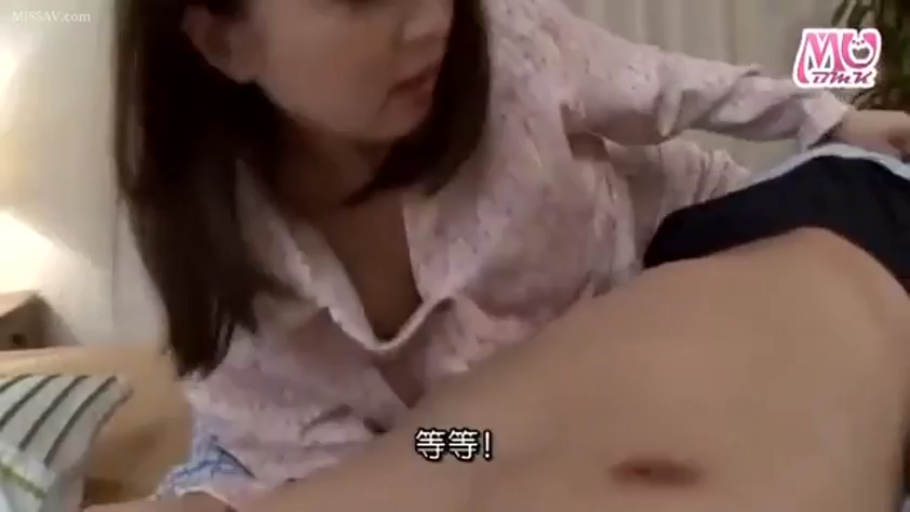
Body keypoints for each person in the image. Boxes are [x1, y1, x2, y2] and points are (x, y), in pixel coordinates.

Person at [98, 0, 910, 508]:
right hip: (465, 422)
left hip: (699, 233)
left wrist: (828, 118)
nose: (429, 21)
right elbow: (392, 459)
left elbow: (667, 85)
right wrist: (488, 452)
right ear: (223, 42)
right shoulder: (231, 270)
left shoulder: (510, 49)